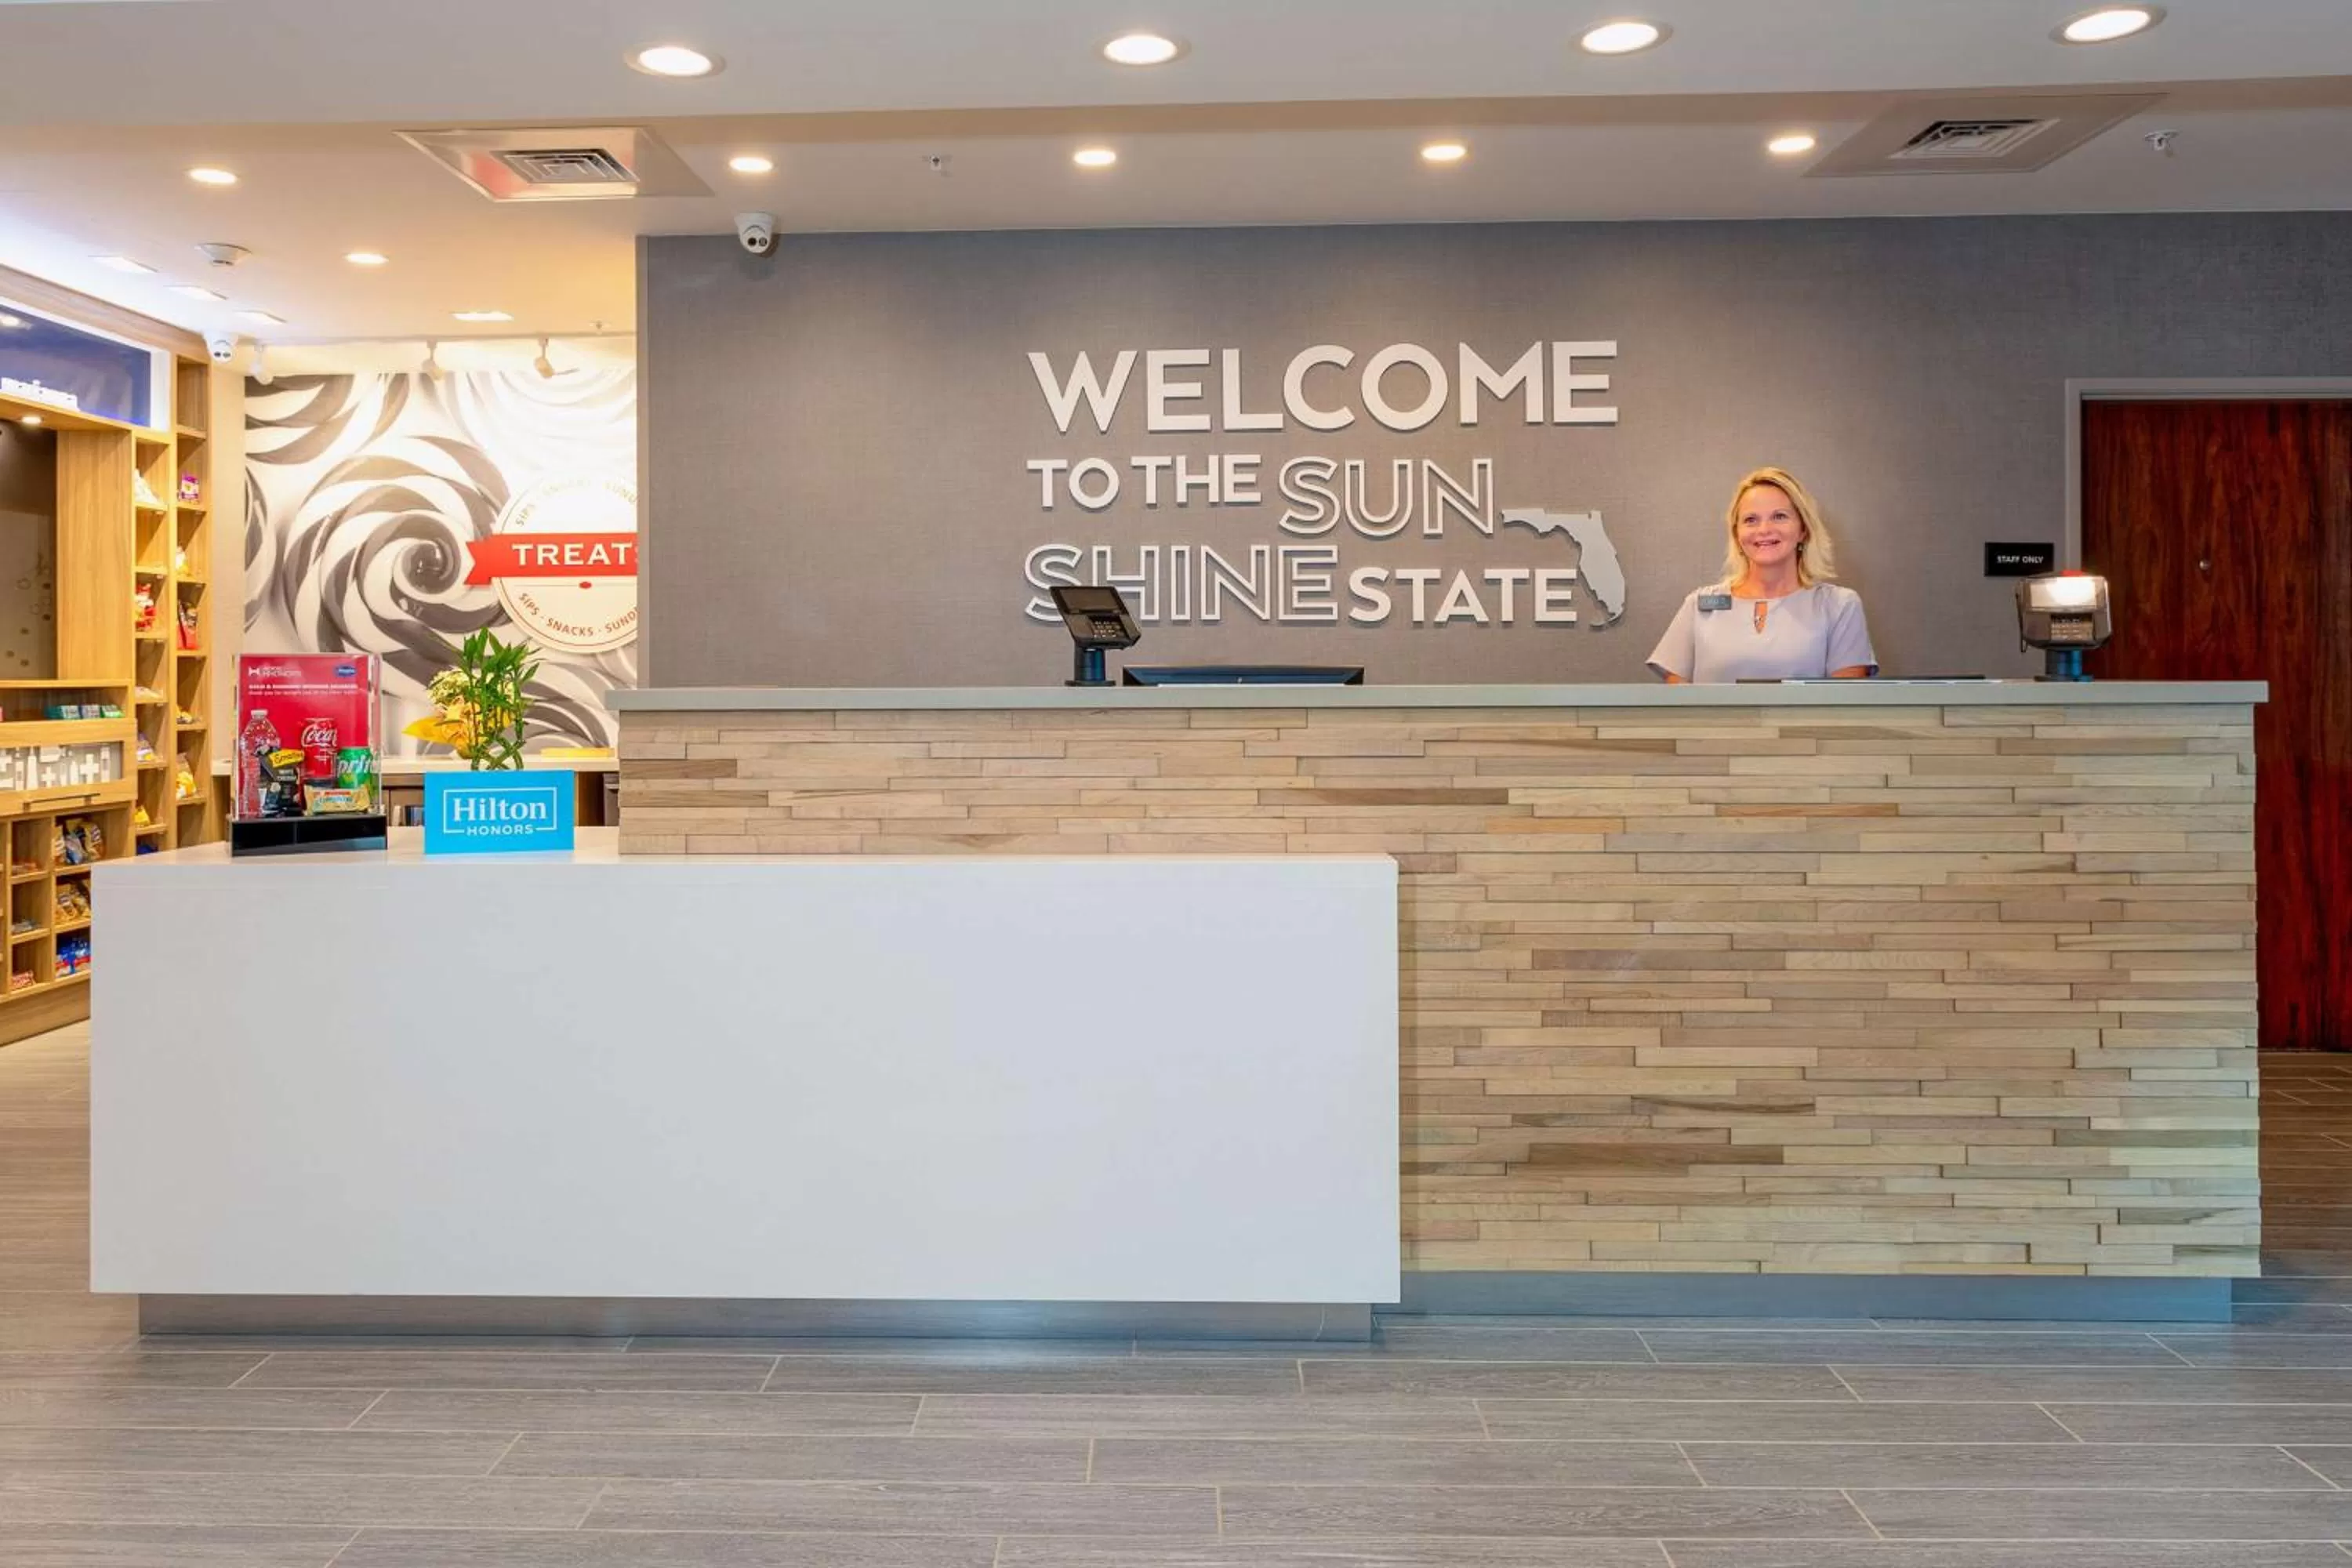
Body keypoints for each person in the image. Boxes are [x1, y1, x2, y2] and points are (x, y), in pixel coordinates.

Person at [1646, 466, 1877, 684]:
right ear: (1737, 534)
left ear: (1804, 530)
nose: (1764, 530)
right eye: (1751, 520)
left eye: (1779, 517)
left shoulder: (1840, 606)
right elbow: (1678, 700)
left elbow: (1845, 702)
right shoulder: (1698, 605)